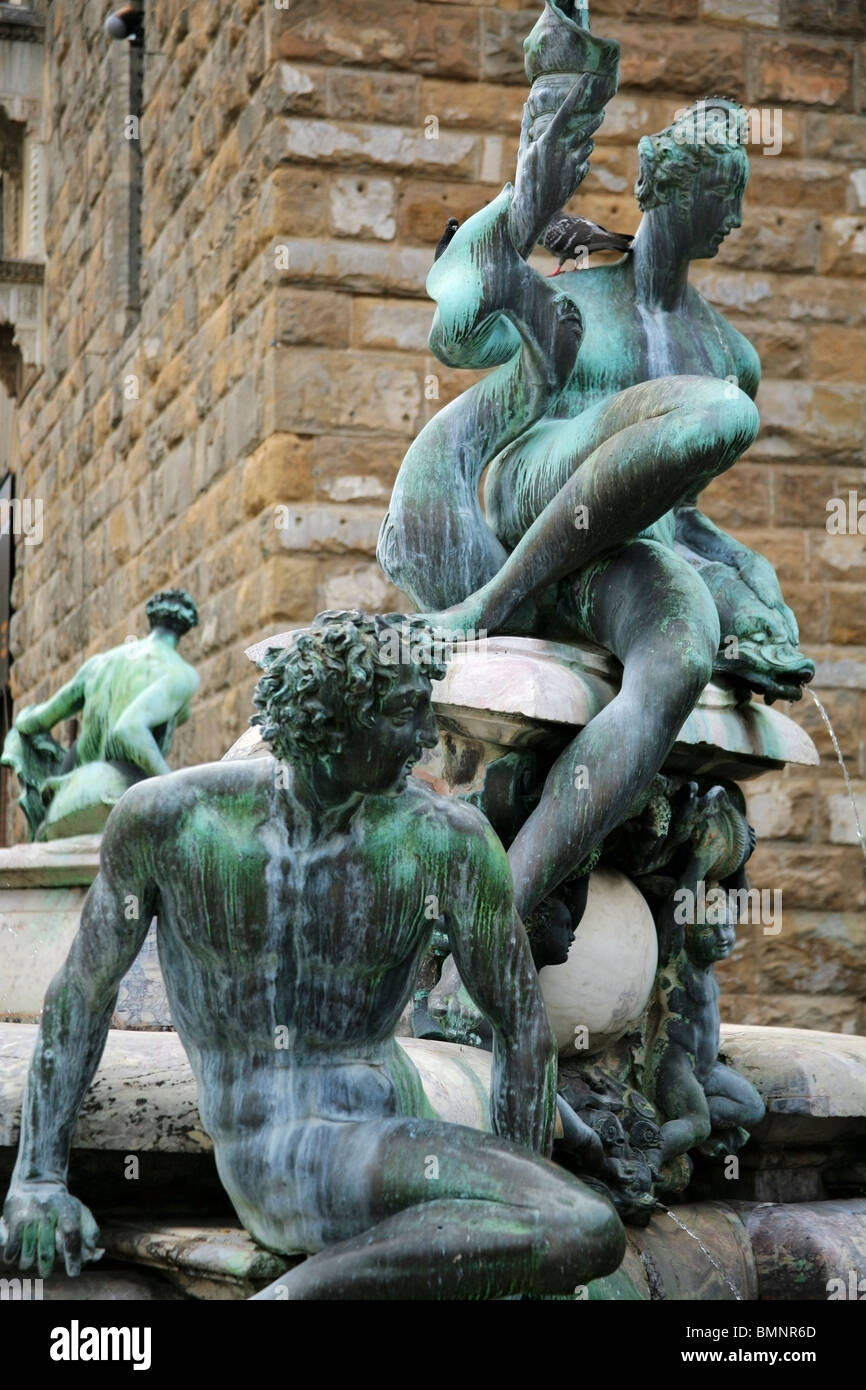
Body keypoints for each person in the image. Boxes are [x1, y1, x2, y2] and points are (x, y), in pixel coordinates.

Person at [0, 610, 625, 1300]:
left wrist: (511, 1241)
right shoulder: (173, 820)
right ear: (332, 719)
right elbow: (81, 993)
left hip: (391, 1136)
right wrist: (37, 1178)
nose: (425, 739)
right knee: (583, 1227)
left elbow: (521, 1030)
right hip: (287, 1160)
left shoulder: (446, 839)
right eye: (403, 714)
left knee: (565, 1231)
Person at [2, 588, 199, 839]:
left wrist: (22, 718)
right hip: (116, 800)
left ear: (151, 621)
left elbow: (37, 721)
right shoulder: (180, 673)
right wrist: (178, 793)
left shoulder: (99, 664)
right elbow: (129, 730)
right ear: (186, 628)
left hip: (66, 800)